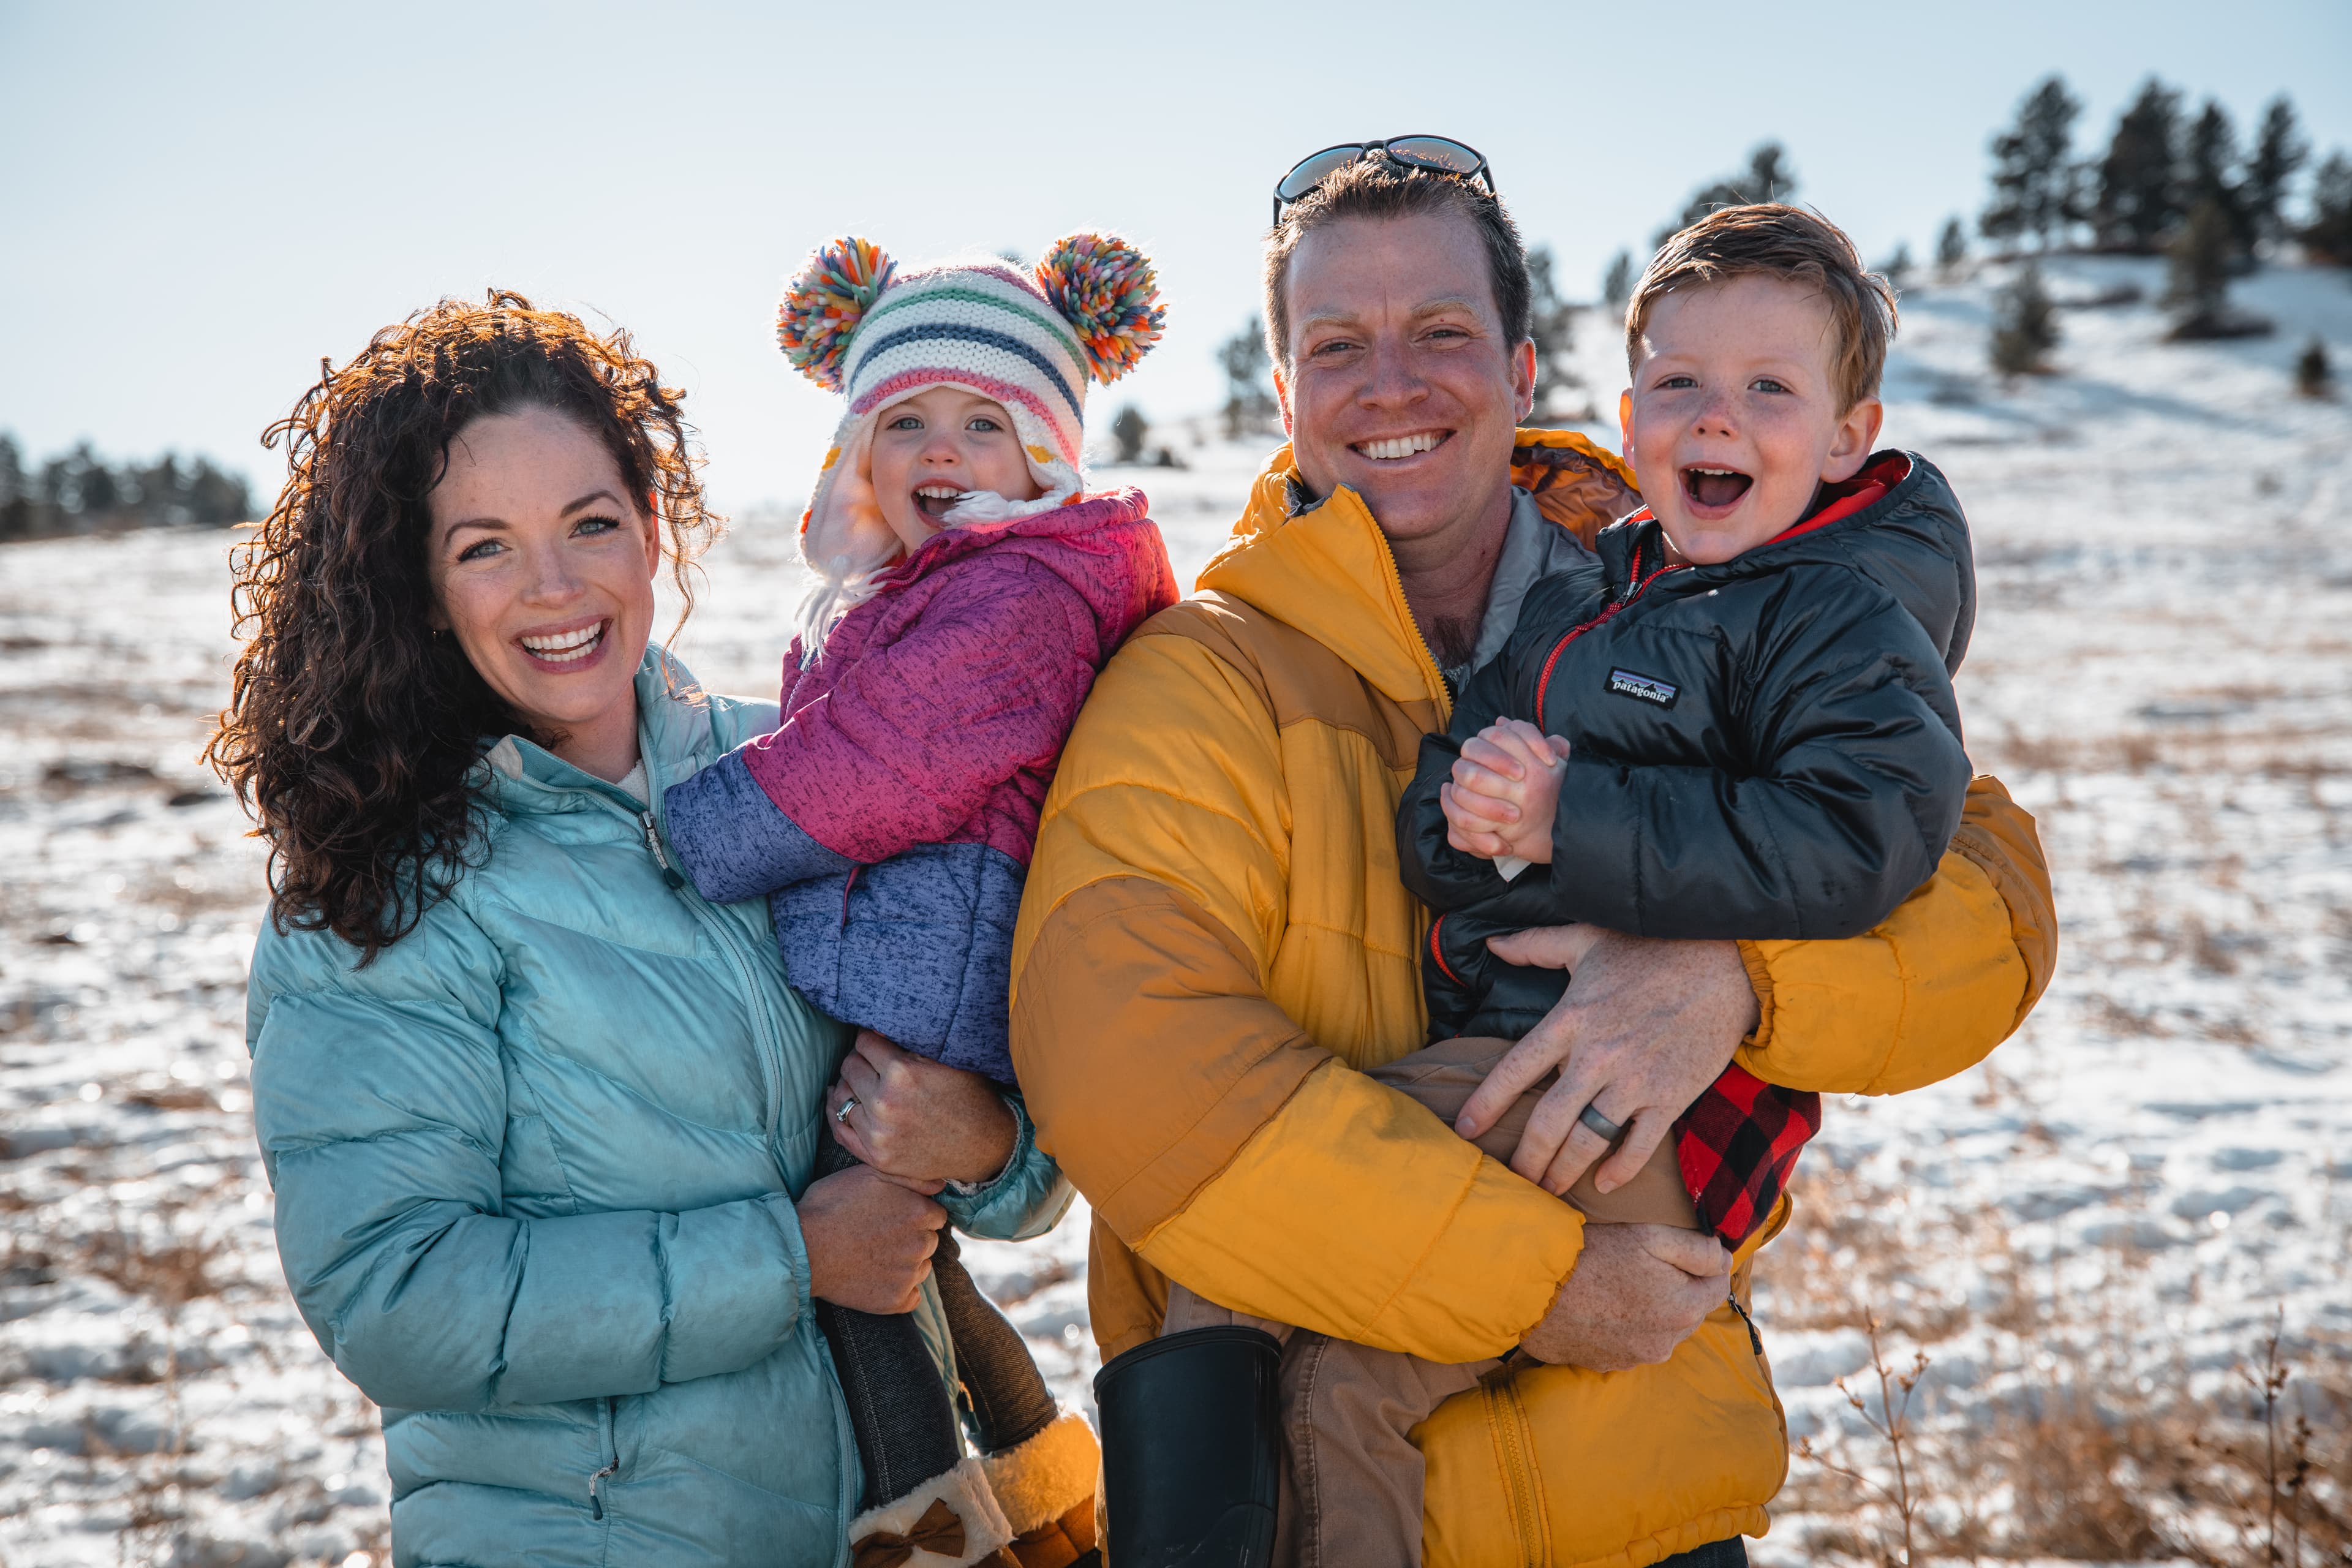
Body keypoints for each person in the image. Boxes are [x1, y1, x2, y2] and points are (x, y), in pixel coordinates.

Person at [1009, 148, 2057, 1567]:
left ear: (1519, 365)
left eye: (1440, 332)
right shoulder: (1201, 679)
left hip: (1644, 1494)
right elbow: (1133, 1077)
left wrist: (1733, 978)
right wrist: (1537, 1280)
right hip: (1334, 1504)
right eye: (1337, 346)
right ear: (1283, 392)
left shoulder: (1690, 594)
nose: (1392, 383)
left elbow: (1980, 895)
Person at [208, 292, 1068, 1567]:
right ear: (420, 581)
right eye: (484, 545)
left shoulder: (803, 767)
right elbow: (396, 1293)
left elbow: (1011, 1084)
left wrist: (992, 1143)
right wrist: (788, 1257)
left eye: (590, 523)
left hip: (893, 1517)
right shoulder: (382, 883)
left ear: (653, 530)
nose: (555, 585)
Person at [662, 235, 1177, 1566]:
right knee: (920, 1258)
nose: (941, 451)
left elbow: (877, 764)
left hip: (933, 972)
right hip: (912, 953)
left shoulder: (1016, 593)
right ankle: (1052, 1498)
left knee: (864, 1282)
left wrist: (696, 830)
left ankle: (925, 1526)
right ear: (860, 447)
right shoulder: (921, 584)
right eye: (906, 421)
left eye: (982, 424)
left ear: (1046, 453)